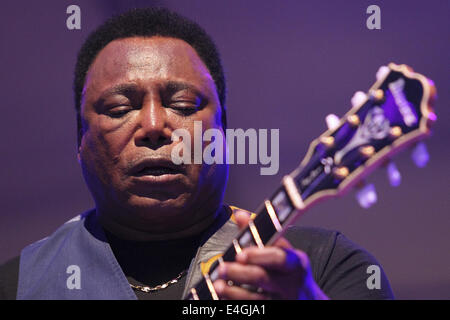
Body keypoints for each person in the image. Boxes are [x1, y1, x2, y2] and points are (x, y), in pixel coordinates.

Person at [0, 7, 394, 300]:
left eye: (185, 105)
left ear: (223, 130)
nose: (154, 125)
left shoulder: (327, 267)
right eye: (120, 109)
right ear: (79, 138)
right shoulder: (19, 284)